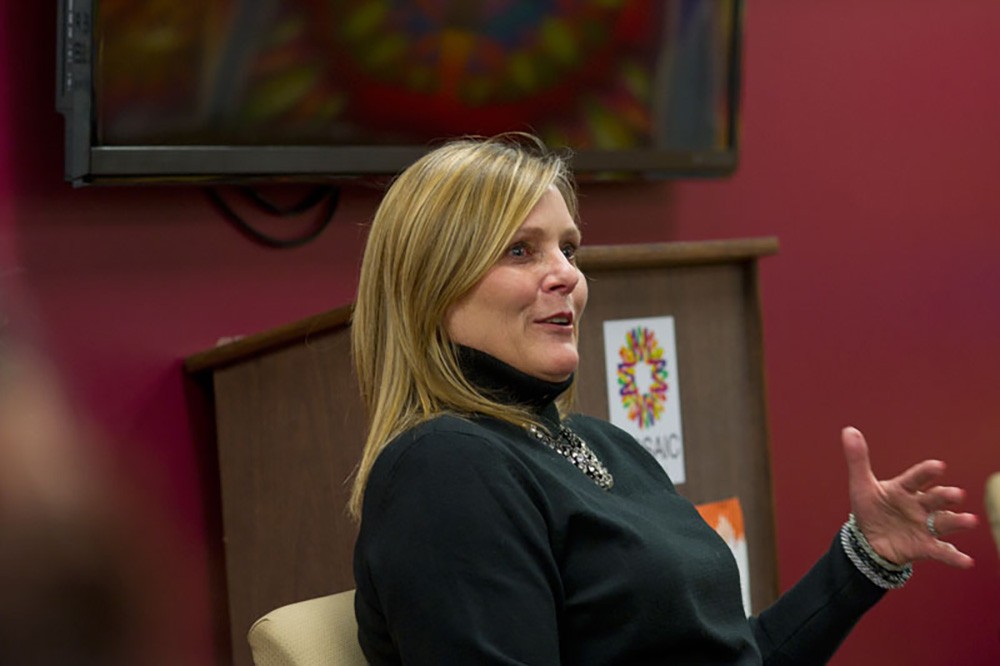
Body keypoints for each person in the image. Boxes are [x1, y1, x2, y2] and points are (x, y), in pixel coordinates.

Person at [348, 134, 977, 664]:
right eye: (521, 250)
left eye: (569, 248)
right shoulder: (444, 468)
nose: (568, 274)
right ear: (432, 287)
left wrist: (864, 557)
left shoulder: (605, 444)